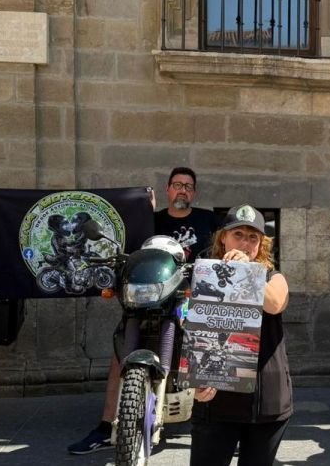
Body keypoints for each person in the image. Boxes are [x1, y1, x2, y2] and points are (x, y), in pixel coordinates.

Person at [68, 166, 219, 455]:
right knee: (120, 352)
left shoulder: (207, 219)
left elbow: (224, 244)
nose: (182, 190)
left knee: (210, 348)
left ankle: (224, 425)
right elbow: (130, 252)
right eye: (177, 185)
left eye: (188, 186)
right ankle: (106, 425)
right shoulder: (153, 220)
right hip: (151, 296)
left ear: (194, 192)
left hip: (190, 297)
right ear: (168, 190)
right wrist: (141, 211)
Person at [190, 204, 292, 466]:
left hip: (265, 402)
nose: (245, 243)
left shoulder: (272, 276)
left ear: (260, 245)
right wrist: (196, 380)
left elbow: (275, 303)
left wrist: (247, 272)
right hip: (216, 398)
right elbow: (192, 331)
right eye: (238, 235)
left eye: (252, 237)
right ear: (223, 238)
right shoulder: (205, 276)